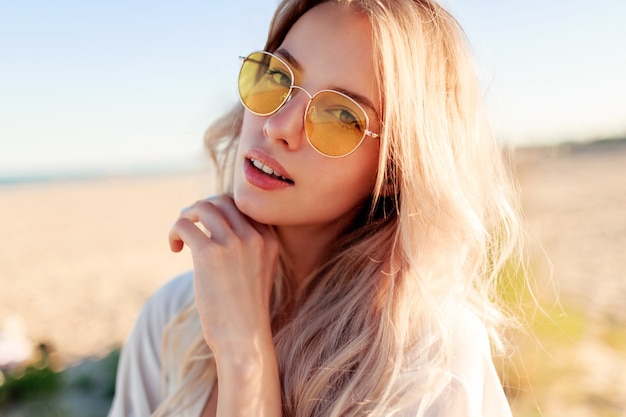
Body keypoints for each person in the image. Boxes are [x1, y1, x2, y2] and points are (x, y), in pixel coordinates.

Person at [108, 0, 526, 416]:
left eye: (341, 117)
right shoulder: (175, 316)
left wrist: (244, 356)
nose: (277, 126)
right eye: (277, 77)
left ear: (396, 169)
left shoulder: (431, 363)